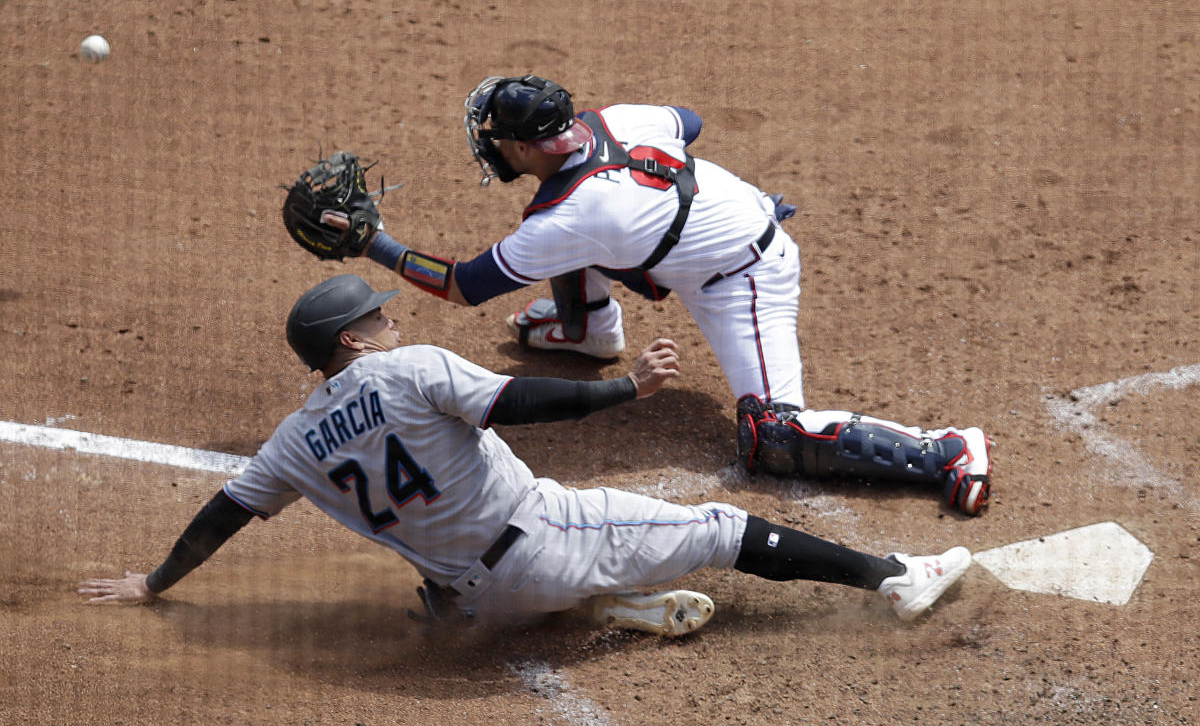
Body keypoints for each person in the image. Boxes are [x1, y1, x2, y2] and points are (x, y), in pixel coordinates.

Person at [78, 274, 971, 635]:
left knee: (457, 561)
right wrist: (625, 389)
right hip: (542, 538)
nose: (394, 321)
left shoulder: (289, 444)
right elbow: (523, 401)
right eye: (377, 317)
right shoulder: (409, 368)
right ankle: (894, 577)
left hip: (468, 603)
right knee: (720, 526)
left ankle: (605, 601)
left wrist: (156, 583)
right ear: (351, 343)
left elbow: (224, 514)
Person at [310, 75, 994, 516]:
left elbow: (463, 286)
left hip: (744, 280)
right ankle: (587, 331)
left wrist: (375, 242)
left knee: (771, 438)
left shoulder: (571, 218)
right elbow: (687, 123)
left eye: (498, 140)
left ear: (530, 145)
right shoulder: (612, 120)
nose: (490, 148)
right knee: (583, 240)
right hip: (724, 224)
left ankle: (947, 449)